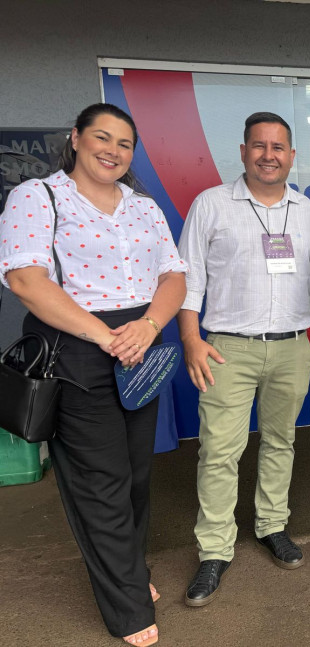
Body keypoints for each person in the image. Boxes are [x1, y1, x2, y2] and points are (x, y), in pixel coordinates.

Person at [0, 103, 187, 646]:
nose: (113, 150)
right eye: (102, 137)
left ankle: (130, 571)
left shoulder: (142, 206)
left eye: (125, 143)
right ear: (77, 139)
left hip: (140, 344)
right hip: (78, 349)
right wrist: (106, 337)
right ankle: (126, 609)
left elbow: (173, 274)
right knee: (98, 483)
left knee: (133, 475)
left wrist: (149, 326)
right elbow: (27, 280)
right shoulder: (39, 197)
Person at [177, 112, 310, 607]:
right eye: (259, 145)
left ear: (292, 156)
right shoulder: (212, 205)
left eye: (279, 147)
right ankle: (215, 550)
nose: (269, 155)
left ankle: (272, 526)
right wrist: (190, 340)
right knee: (220, 451)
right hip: (227, 347)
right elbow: (189, 280)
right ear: (243, 151)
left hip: (292, 347)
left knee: (280, 441)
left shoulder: (308, 212)